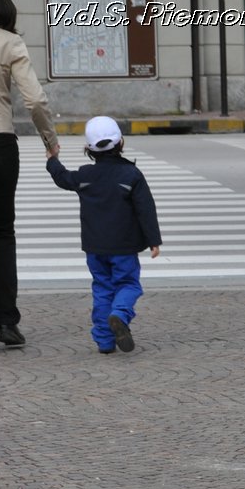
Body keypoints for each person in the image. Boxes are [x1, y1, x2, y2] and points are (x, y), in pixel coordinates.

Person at [46, 117, 162, 355]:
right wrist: (153, 240)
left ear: (89, 149)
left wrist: (52, 159)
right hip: (124, 247)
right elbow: (145, 209)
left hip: (94, 247)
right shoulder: (131, 175)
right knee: (129, 284)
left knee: (102, 288)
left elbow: (63, 178)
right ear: (121, 143)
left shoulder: (85, 175)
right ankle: (120, 313)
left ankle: (104, 341)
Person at [0, 0, 59, 354]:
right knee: (1, 233)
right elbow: (34, 101)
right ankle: (8, 323)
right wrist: (50, 140)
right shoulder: (10, 43)